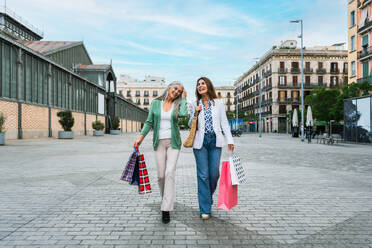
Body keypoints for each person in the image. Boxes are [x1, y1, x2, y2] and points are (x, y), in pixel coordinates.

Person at [133, 82, 187, 224]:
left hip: (174, 142)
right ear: (169, 88)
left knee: (170, 173)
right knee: (161, 176)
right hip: (159, 143)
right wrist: (140, 138)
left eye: (179, 91)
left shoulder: (178, 104)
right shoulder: (156, 103)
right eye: (175, 88)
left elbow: (183, 115)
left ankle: (165, 209)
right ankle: (166, 200)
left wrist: (185, 99)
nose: (176, 92)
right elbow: (149, 122)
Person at [189, 77, 234, 220]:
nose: (200, 86)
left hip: (215, 141)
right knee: (203, 175)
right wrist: (195, 113)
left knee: (214, 174)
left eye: (202, 83)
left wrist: (230, 140)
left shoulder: (219, 104)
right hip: (200, 143)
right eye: (198, 85)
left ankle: (207, 197)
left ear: (208, 85)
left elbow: (224, 123)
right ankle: (205, 208)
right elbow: (191, 122)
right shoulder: (195, 103)